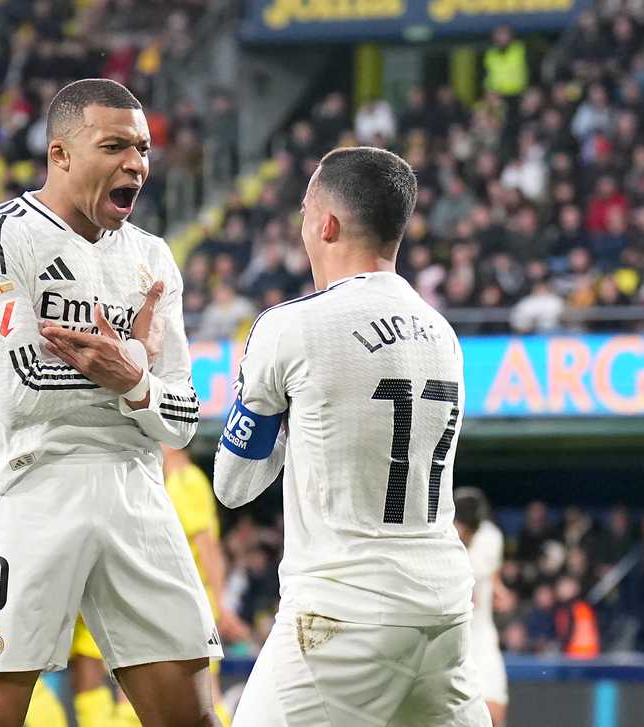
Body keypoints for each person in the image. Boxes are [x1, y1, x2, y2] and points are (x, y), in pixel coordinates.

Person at [0, 78, 221, 727]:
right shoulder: (0, 236)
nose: (137, 163)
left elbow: (182, 418)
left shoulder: (153, 257)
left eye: (145, 149)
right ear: (61, 154)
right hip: (31, 488)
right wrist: (132, 377)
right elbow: (19, 390)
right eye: (116, 146)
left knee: (192, 715)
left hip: (135, 493)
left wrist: (132, 380)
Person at [213, 146, 490, 726]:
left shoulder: (290, 327)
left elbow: (233, 485)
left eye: (305, 207)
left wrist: (289, 418)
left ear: (328, 224)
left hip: (342, 616)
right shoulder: (443, 334)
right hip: (443, 616)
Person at [77, 444, 250, 727]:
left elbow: (209, 549)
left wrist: (220, 606)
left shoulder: (187, 481)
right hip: (174, 602)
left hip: (188, 606)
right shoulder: (169, 483)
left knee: (202, 697)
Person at [455, 488, 510, 726]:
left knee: (494, 714)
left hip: (483, 636)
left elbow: (494, 578)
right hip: (453, 641)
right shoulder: (440, 543)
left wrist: (501, 592)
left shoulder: (491, 538)